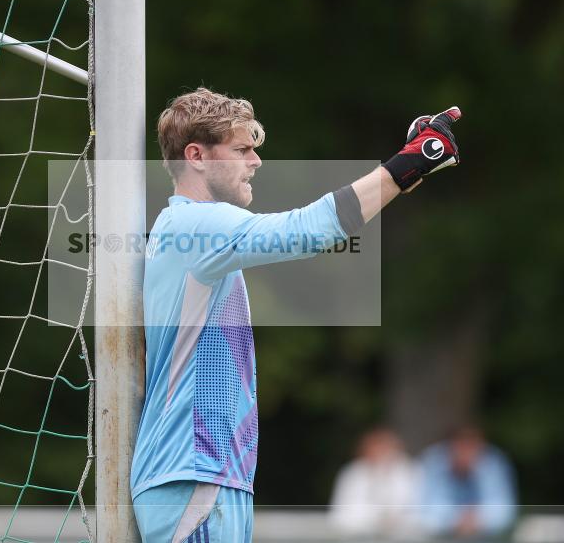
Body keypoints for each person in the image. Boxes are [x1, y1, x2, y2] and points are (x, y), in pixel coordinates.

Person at [130, 87, 463, 543]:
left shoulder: (198, 231)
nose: (256, 161)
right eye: (242, 149)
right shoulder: (196, 225)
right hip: (193, 470)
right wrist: (408, 163)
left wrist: (404, 174)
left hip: (206, 472)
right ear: (197, 156)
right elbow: (306, 231)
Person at [419, 425, 517, 538]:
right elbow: (424, 512)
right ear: (449, 448)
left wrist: (478, 519)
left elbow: (505, 512)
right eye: (461, 447)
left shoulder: (493, 463)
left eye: (471, 447)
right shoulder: (432, 462)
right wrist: (455, 520)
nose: (466, 453)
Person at [328, 427, 421, 538]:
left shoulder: (410, 472)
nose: (383, 454)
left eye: (387, 449)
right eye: (378, 448)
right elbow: (340, 516)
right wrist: (376, 519)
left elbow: (418, 512)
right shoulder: (353, 473)